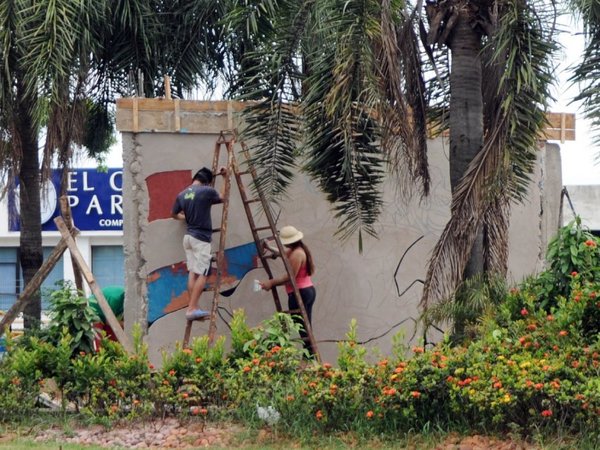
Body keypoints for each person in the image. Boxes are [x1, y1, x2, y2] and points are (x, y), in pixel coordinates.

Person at [172, 166, 227, 320]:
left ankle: (193, 306)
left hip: (188, 238)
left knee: (193, 273)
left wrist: (185, 217)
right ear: (207, 182)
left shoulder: (182, 194)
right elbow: (223, 197)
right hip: (201, 239)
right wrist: (225, 177)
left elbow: (174, 214)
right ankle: (191, 309)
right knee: (203, 273)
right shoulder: (207, 191)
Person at [259, 225, 316, 355]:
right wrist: (268, 247)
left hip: (300, 293)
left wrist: (271, 283)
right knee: (304, 324)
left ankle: (306, 355)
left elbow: (290, 277)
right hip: (306, 291)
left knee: (297, 325)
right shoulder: (297, 249)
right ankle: (310, 354)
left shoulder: (297, 254)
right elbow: (282, 253)